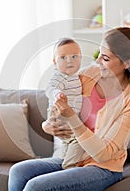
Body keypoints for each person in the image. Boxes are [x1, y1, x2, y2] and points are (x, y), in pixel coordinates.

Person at [8, 27, 130, 191]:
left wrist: (72, 118)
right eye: (99, 54)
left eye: (106, 58)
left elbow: (103, 154)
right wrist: (48, 125)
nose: (98, 61)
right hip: (72, 156)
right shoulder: (89, 74)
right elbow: (58, 96)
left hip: (102, 168)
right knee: (18, 171)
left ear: (126, 63)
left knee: (35, 186)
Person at [45, 38, 85, 169]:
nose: (69, 61)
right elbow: (50, 88)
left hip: (69, 118)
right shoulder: (59, 76)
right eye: (63, 57)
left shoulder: (77, 76)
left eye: (74, 56)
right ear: (54, 62)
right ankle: (69, 168)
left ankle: (65, 164)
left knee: (70, 142)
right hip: (59, 116)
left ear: (81, 58)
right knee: (78, 139)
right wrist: (57, 94)